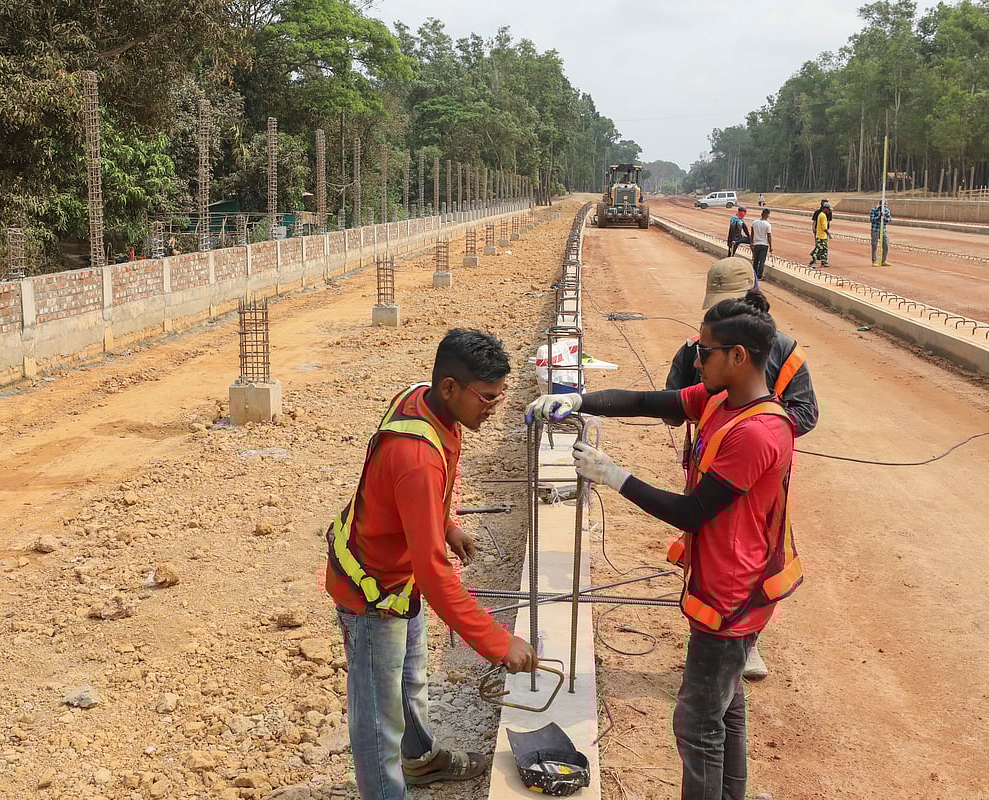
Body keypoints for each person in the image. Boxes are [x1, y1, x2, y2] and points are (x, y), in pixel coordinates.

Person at [526, 297, 803, 800]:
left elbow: (692, 512)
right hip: (729, 583)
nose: (696, 360)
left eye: (705, 350)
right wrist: (576, 398)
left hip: (731, 595)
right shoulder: (722, 399)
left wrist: (614, 475)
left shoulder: (758, 433)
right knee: (726, 707)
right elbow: (647, 401)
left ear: (738, 356)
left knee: (697, 723)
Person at [326, 328, 537, 800]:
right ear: (449, 387)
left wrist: (445, 524)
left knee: (409, 678)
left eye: (499, 397)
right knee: (378, 718)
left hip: (395, 578)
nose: (493, 406)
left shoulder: (424, 402)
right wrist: (498, 642)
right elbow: (435, 576)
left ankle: (420, 760)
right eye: (487, 397)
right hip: (371, 592)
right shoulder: (416, 456)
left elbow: (426, 492)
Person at [665, 265, 818, 681]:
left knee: (747, 559)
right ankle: (719, 641)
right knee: (712, 550)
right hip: (712, 466)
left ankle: (742, 644)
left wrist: (760, 429)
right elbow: (673, 398)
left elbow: (806, 413)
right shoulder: (701, 347)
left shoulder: (783, 352)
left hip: (755, 475)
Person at [749, 208, 773, 282]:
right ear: (767, 215)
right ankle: (759, 276)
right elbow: (769, 236)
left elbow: (752, 233)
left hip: (756, 244)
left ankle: (754, 274)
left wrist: (751, 242)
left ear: (761, 214)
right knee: (762, 261)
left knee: (755, 260)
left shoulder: (754, 222)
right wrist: (771, 246)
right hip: (764, 244)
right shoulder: (768, 225)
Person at [808, 201, 831, 267]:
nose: (829, 211)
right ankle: (812, 262)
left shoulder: (823, 215)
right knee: (818, 249)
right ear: (825, 209)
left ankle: (824, 262)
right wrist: (829, 234)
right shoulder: (822, 216)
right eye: (829, 209)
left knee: (825, 249)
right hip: (820, 236)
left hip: (823, 236)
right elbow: (824, 227)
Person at [870, 200, 891, 266]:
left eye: (885, 204)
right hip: (875, 230)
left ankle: (883, 261)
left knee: (886, 245)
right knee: (874, 246)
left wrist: (885, 219)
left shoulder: (887, 211)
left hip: (883, 230)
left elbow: (889, 219)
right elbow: (872, 219)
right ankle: (874, 261)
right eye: (883, 204)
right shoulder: (873, 210)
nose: (884, 205)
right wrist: (879, 217)